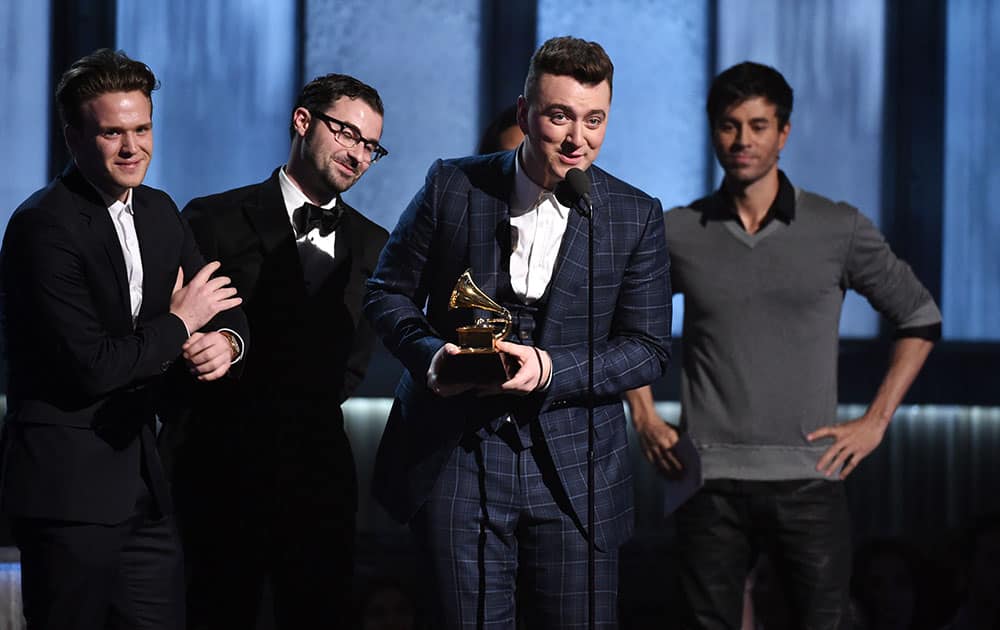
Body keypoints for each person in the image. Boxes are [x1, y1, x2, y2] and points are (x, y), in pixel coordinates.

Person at [365, 36, 672, 628]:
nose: (577, 138)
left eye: (594, 120)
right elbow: (387, 291)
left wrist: (551, 369)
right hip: (458, 455)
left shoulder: (635, 214)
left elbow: (649, 348)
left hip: (577, 468)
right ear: (526, 112)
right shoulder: (453, 185)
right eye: (559, 116)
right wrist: (432, 357)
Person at [624, 61, 941, 628]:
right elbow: (620, 321)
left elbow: (919, 318)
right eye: (728, 125)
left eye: (758, 125)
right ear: (712, 129)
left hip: (810, 478)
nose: (742, 140)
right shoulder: (677, 230)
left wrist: (876, 421)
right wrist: (644, 416)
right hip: (708, 482)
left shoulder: (837, 228)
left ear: (783, 132)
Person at [0, 48, 247, 629]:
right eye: (113, 133)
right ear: (73, 138)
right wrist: (182, 324)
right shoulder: (43, 226)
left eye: (142, 128)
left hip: (145, 484)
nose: (133, 148)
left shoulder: (160, 210)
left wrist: (227, 343)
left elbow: (220, 304)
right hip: (68, 490)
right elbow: (93, 366)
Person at [165, 73, 389, 628]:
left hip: (319, 474)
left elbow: (353, 365)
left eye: (370, 145)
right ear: (303, 121)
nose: (358, 154)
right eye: (347, 134)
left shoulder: (376, 244)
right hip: (220, 466)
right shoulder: (213, 217)